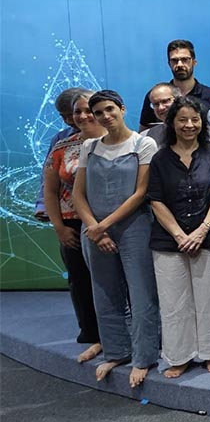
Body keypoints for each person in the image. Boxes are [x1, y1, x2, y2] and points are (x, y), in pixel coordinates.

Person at [72, 90, 160, 388]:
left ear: (122, 109)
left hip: (134, 228)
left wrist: (104, 226)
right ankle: (116, 352)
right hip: (94, 231)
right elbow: (78, 194)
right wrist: (94, 228)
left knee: (141, 292)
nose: (104, 116)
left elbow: (141, 192)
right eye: (98, 113)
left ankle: (144, 357)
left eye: (109, 109)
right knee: (104, 292)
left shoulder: (143, 144)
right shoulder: (89, 147)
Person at [146, 97, 210, 378]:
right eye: (182, 119)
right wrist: (180, 235)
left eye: (195, 119)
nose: (189, 125)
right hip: (169, 241)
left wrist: (202, 230)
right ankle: (179, 356)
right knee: (174, 302)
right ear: (171, 123)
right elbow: (155, 200)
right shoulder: (160, 158)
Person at [43, 91, 103, 363]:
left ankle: (119, 331)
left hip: (111, 221)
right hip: (72, 224)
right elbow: (50, 190)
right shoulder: (61, 147)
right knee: (80, 278)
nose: (83, 116)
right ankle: (90, 331)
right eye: (77, 111)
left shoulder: (119, 141)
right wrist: (59, 227)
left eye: (89, 110)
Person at [137, 39, 210, 130]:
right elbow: (144, 132)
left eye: (185, 59)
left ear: (194, 62)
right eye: (174, 60)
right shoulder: (156, 97)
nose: (179, 64)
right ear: (169, 64)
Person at [34, 87, 87, 220]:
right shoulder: (60, 140)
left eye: (71, 114)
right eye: (63, 116)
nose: (68, 121)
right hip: (71, 215)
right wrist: (43, 205)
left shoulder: (109, 136)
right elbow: (48, 177)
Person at [142, 83, 210, 150]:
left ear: (179, 99)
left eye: (165, 101)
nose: (161, 107)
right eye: (156, 104)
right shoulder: (147, 136)